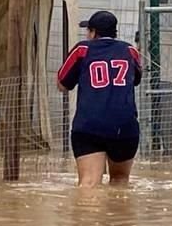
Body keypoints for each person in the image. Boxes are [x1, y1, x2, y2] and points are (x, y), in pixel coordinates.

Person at [56, 10, 142, 188]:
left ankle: (88, 215)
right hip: (124, 127)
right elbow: (136, 80)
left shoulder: (82, 50)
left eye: (88, 31)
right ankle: (118, 215)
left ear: (94, 32)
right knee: (120, 182)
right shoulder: (130, 51)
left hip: (89, 126)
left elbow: (62, 83)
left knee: (89, 183)